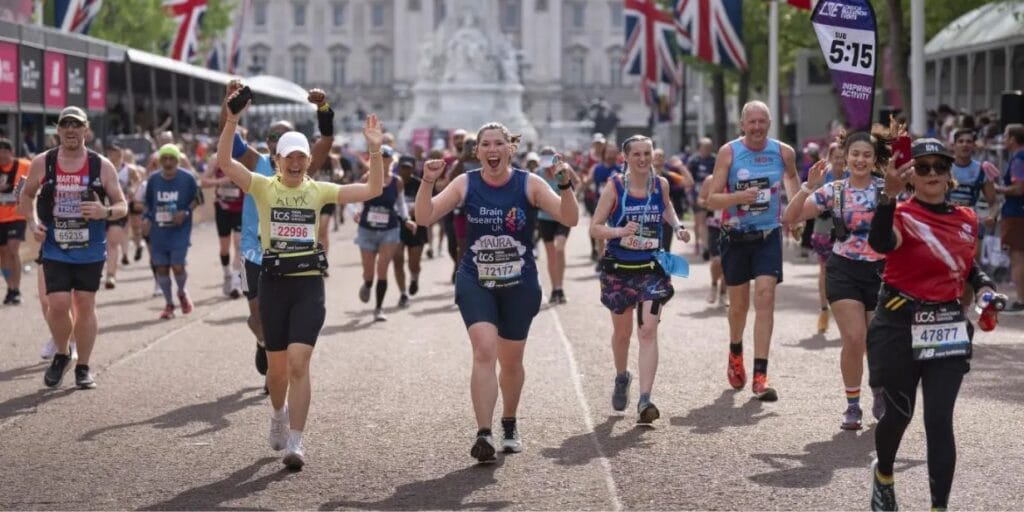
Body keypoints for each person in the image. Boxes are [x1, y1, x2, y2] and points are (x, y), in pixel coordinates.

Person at [217, 92, 384, 471]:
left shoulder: (318, 190)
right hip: (274, 283)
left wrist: (375, 152)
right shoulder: (262, 186)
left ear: (310, 162)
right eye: (288, 157)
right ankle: (278, 412)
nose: (294, 162)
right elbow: (225, 162)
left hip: (308, 284)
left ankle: (296, 440)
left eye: (301, 157)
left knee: (299, 363)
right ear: (276, 161)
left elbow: (372, 190)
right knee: (276, 371)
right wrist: (231, 120)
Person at [415, 122, 579, 463]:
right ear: (477, 152)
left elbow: (569, 217)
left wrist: (565, 185)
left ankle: (509, 422)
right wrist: (428, 181)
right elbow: (424, 216)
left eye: (498, 144)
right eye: (485, 144)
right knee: (484, 350)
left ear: (510, 149)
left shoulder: (529, 183)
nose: (492, 150)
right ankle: (484, 433)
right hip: (476, 280)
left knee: (512, 361)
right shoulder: (466, 183)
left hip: (519, 285)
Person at [865, 138, 996, 511]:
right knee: (899, 413)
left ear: (949, 173)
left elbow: (969, 268)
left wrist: (985, 291)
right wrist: (886, 199)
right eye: (923, 168)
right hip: (898, 325)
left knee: (939, 419)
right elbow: (881, 242)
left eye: (940, 167)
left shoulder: (967, 220)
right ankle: (885, 474)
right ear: (911, 176)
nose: (933, 174)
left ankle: (939, 506)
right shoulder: (903, 214)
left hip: (947, 326)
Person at [225, 83, 335, 390]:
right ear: (267, 143)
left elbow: (326, 140)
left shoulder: (301, 167)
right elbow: (227, 144)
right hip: (252, 252)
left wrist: (323, 109)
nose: (276, 142)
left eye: (282, 137)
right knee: (258, 317)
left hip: (292, 258)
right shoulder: (256, 164)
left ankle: (278, 367)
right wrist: (230, 105)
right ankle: (264, 342)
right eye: (272, 137)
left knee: (288, 320)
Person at [783, 130, 889, 431]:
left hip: (881, 271)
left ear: (874, 159)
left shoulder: (886, 190)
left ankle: (879, 391)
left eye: (867, 155)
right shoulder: (835, 190)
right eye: (855, 154)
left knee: (876, 343)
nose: (860, 160)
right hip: (843, 270)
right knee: (854, 338)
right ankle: (852, 405)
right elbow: (790, 218)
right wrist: (807, 188)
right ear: (845, 156)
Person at [18, 106, 129, 389]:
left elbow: (122, 205)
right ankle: (62, 353)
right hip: (55, 245)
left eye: (76, 125)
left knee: (84, 304)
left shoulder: (100, 165)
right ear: (58, 129)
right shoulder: (43, 162)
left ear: (86, 129)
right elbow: (26, 194)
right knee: (57, 304)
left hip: (90, 247)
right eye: (65, 124)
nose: (71, 130)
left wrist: (104, 212)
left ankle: (83, 366)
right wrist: (31, 222)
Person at [590, 135, 690, 424]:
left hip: (651, 268)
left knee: (647, 330)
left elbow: (667, 208)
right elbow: (596, 228)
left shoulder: (661, 185)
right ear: (626, 158)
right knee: (623, 334)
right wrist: (620, 232)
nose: (643, 159)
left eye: (647, 153)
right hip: (619, 269)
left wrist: (679, 226)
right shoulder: (615, 186)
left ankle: (645, 400)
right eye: (637, 154)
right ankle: (622, 376)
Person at [706, 100, 800, 401]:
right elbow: (712, 199)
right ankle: (736, 349)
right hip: (735, 236)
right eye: (752, 122)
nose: (757, 127)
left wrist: (797, 217)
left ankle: (761, 376)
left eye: (762, 122)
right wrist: (739, 196)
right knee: (738, 307)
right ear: (743, 125)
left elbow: (792, 186)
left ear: (769, 124)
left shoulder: (784, 152)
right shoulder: (729, 152)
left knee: (765, 297)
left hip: (768, 235)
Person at [354, 145, 410, 320]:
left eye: (386, 158)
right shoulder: (366, 178)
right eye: (379, 158)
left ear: (391, 160)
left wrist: (407, 219)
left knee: (382, 269)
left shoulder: (397, 181)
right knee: (369, 272)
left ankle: (378, 308)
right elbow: (354, 199)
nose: (383, 161)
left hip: (390, 230)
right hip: (367, 230)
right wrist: (356, 211)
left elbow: (400, 204)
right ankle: (368, 284)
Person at [144, 144, 201, 320]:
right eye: (164, 159)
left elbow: (198, 198)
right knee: (161, 267)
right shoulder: (153, 180)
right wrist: (146, 218)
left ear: (178, 160)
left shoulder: (187, 178)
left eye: (172, 159)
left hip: (180, 230)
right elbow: (148, 203)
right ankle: (169, 304)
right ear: (160, 161)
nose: (168, 163)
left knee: (177, 265)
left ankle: (182, 292)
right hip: (159, 231)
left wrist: (185, 212)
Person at [535, 147, 580, 304]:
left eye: (550, 163)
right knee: (551, 253)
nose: (548, 167)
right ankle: (555, 289)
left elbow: (577, 182)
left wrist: (573, 197)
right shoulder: (538, 173)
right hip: (544, 218)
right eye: (545, 163)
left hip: (563, 216)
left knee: (560, 248)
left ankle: (560, 286)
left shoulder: (564, 168)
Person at [200, 153, 244, 298]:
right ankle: (227, 274)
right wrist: (222, 181)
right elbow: (203, 182)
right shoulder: (216, 159)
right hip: (223, 208)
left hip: (241, 208)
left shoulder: (245, 157)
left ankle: (236, 284)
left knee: (239, 245)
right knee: (224, 248)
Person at [996, 123, 1024, 314]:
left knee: (1017, 257)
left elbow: (1019, 188)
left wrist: (999, 189)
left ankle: (1021, 301)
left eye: (1005, 136)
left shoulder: (1018, 159)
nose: (1003, 140)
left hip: (1016, 213)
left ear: (1013, 139)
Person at [394, 155, 428, 304]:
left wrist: (419, 208)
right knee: (397, 259)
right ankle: (403, 294)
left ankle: (414, 279)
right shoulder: (392, 183)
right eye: (403, 167)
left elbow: (429, 204)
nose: (405, 170)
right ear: (398, 167)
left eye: (408, 167)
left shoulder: (420, 184)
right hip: (397, 226)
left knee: (414, 263)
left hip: (417, 226)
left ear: (414, 168)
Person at [0, 137, 30, 304]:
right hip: (0, 218)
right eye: (0, 151)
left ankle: (16, 288)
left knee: (13, 249)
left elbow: (27, 187)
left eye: (6, 151)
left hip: (16, 216)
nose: (2, 155)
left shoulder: (23, 165)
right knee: (3, 254)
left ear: (12, 152)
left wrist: (15, 191)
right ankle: (9, 287)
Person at [585, 145, 623, 270]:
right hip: (600, 205)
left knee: (616, 233)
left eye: (614, 153)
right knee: (599, 232)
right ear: (604, 154)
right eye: (609, 153)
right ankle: (602, 258)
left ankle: (616, 257)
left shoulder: (621, 169)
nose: (611, 156)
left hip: (617, 206)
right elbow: (588, 181)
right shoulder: (596, 168)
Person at [696, 175, 726, 306]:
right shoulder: (710, 179)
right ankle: (714, 284)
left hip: (733, 225)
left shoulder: (738, 176)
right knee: (717, 260)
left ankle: (724, 293)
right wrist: (706, 203)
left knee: (728, 262)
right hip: (714, 225)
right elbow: (700, 199)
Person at [688, 138, 717, 259]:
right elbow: (689, 180)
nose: (707, 150)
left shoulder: (715, 160)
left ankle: (708, 245)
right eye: (705, 147)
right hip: (698, 195)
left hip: (712, 195)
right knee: (699, 221)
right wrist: (689, 195)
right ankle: (701, 244)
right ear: (699, 148)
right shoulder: (694, 161)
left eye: (709, 147)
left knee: (709, 221)